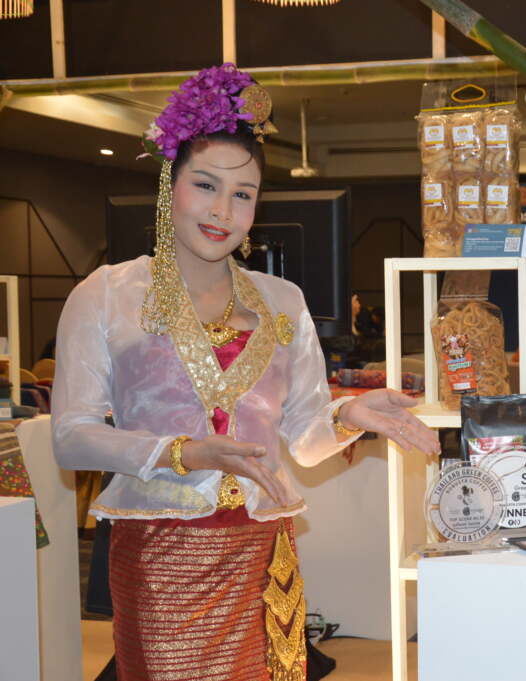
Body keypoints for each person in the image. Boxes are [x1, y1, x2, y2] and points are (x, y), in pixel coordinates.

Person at [51, 64, 439, 681]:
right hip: (161, 554)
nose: (222, 210)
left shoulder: (282, 300)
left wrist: (347, 416)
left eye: (243, 194)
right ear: (169, 185)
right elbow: (71, 437)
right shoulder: (107, 294)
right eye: (205, 185)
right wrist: (185, 452)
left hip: (262, 548)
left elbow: (304, 440)